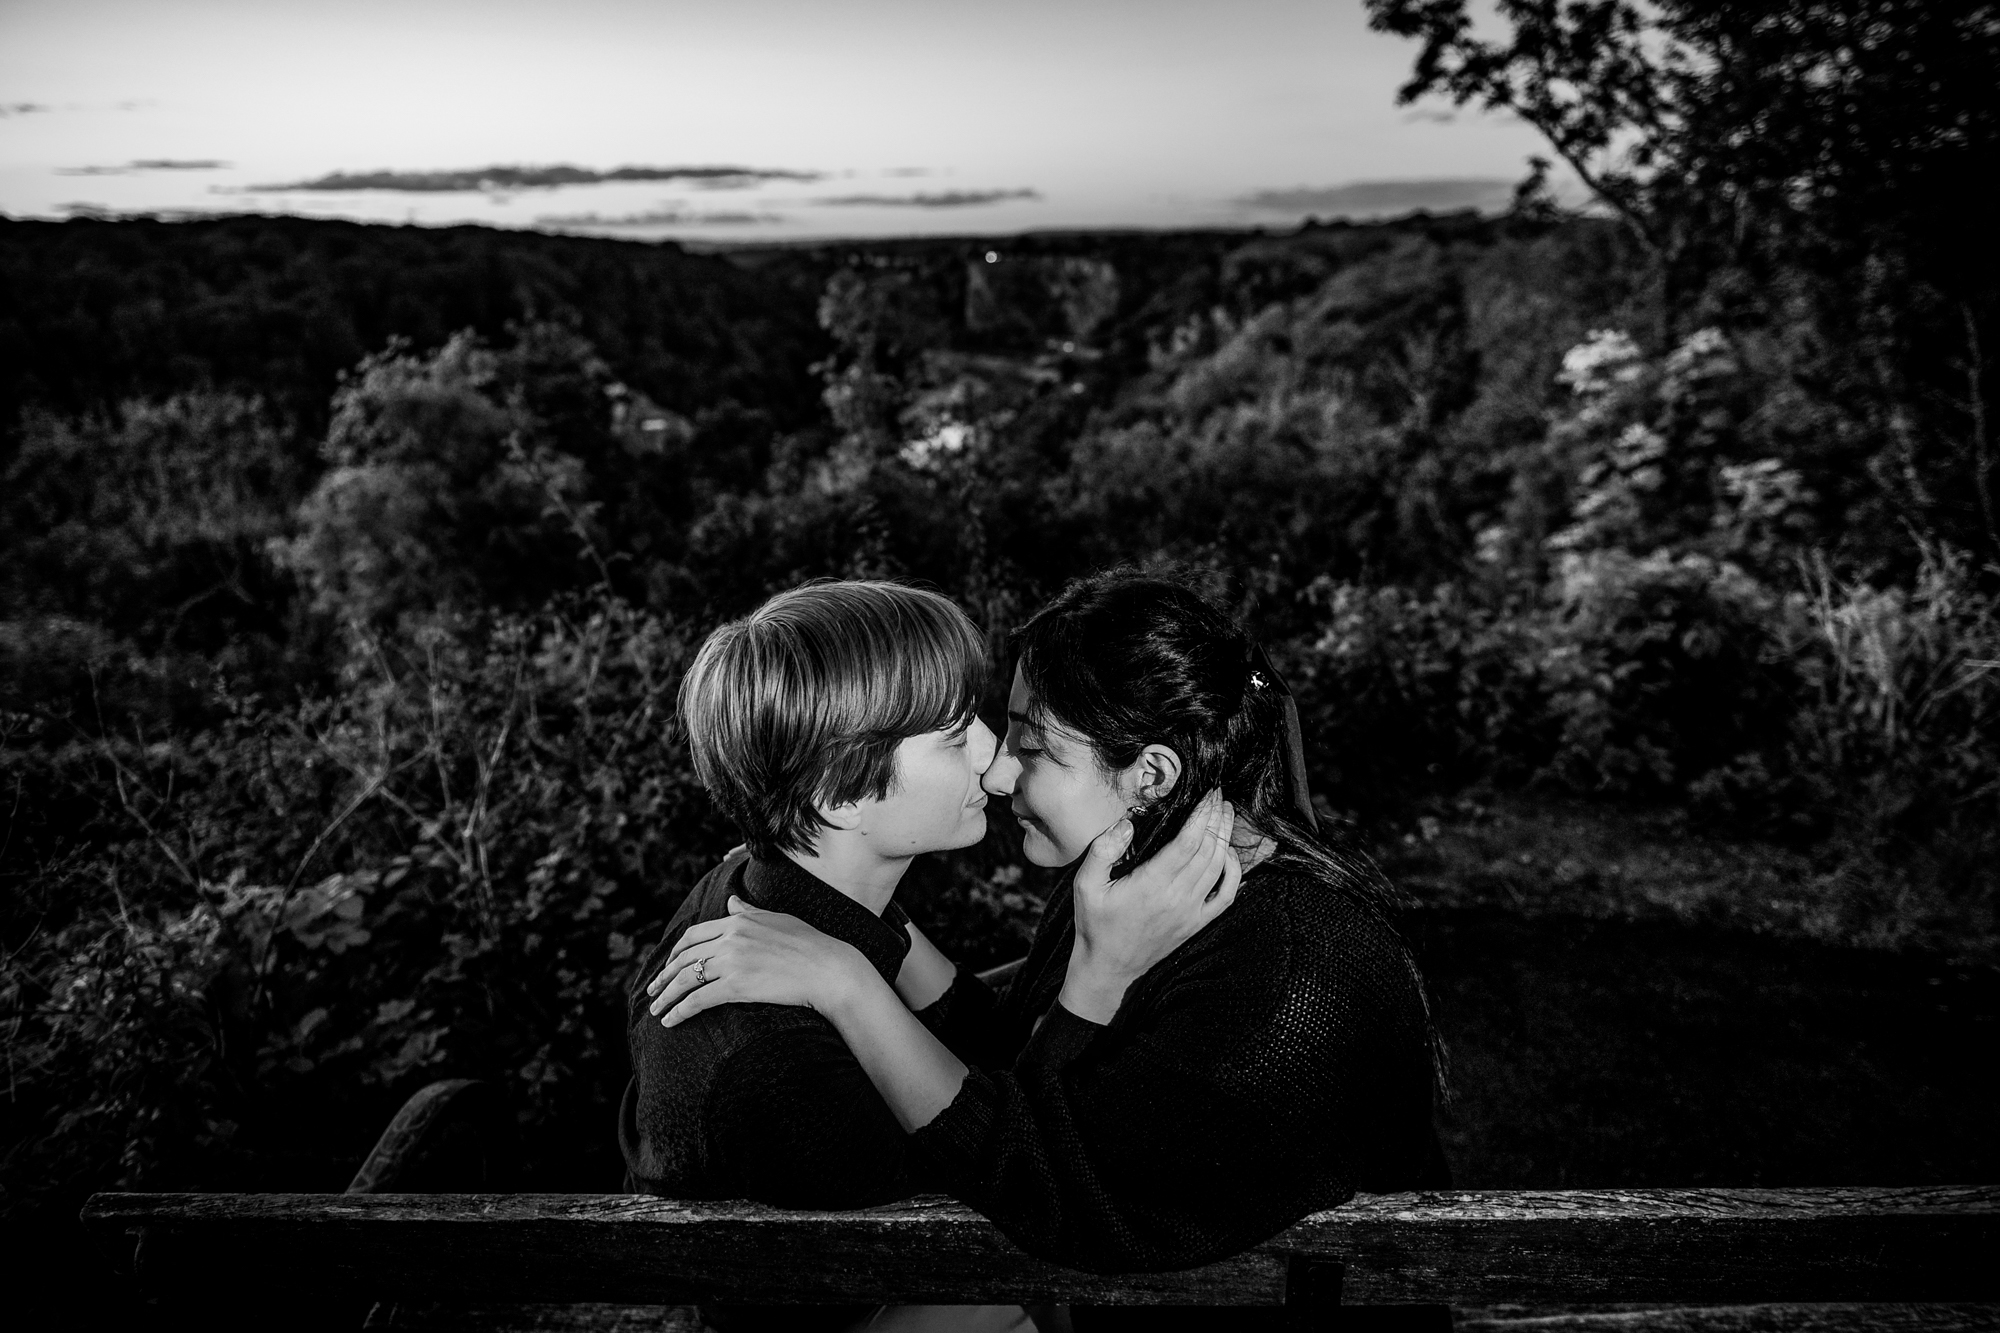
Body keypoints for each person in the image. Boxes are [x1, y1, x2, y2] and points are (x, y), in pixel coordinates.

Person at [649, 568, 1450, 1280]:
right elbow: (1007, 1047)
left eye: (1032, 743)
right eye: (983, 729)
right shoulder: (1128, 876)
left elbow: (1042, 1186)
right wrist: (853, 922)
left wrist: (849, 978)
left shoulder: (1284, 980)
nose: (1001, 768)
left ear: (1152, 774)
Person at [620, 578, 1236, 1332]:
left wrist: (862, 973)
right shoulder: (781, 1071)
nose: (994, 755)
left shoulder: (772, 890)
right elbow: (1032, 1200)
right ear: (837, 794)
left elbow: (974, 1041)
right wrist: (1100, 977)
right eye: (954, 735)